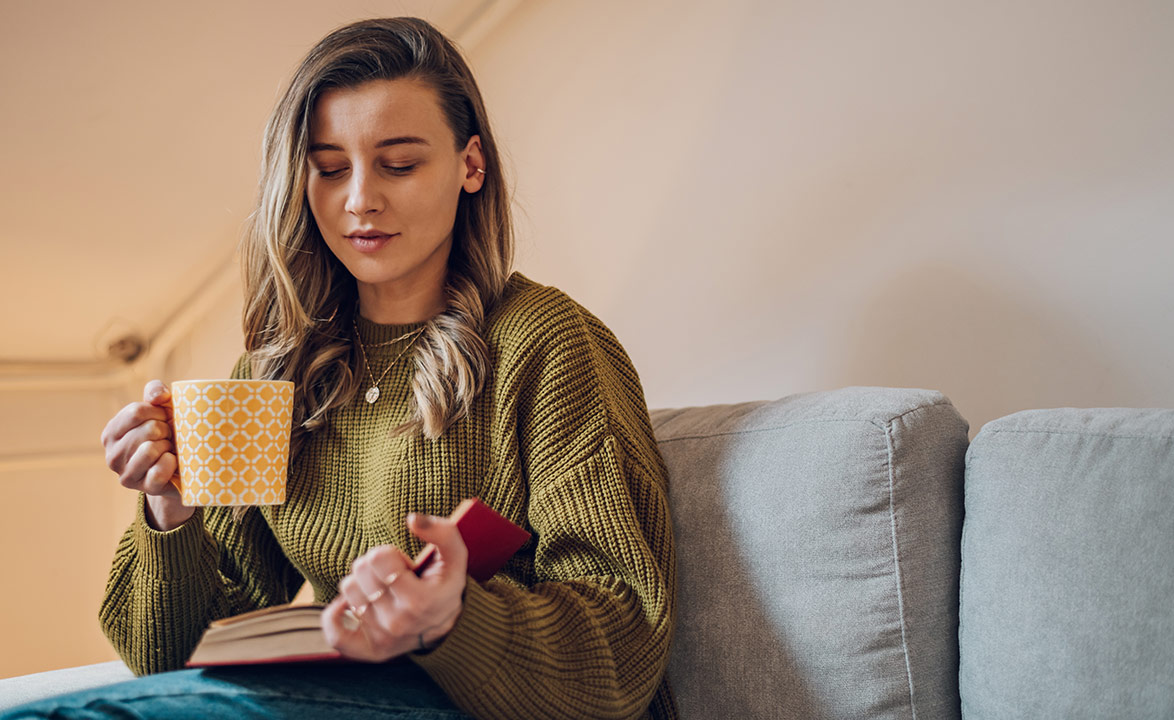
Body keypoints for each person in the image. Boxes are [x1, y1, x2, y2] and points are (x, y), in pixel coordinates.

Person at [4, 16, 676, 720]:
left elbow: (624, 638)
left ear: (470, 165)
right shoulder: (276, 376)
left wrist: (452, 618)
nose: (359, 199)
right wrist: (171, 513)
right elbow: (168, 662)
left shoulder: (546, 345)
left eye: (400, 163)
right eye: (329, 169)